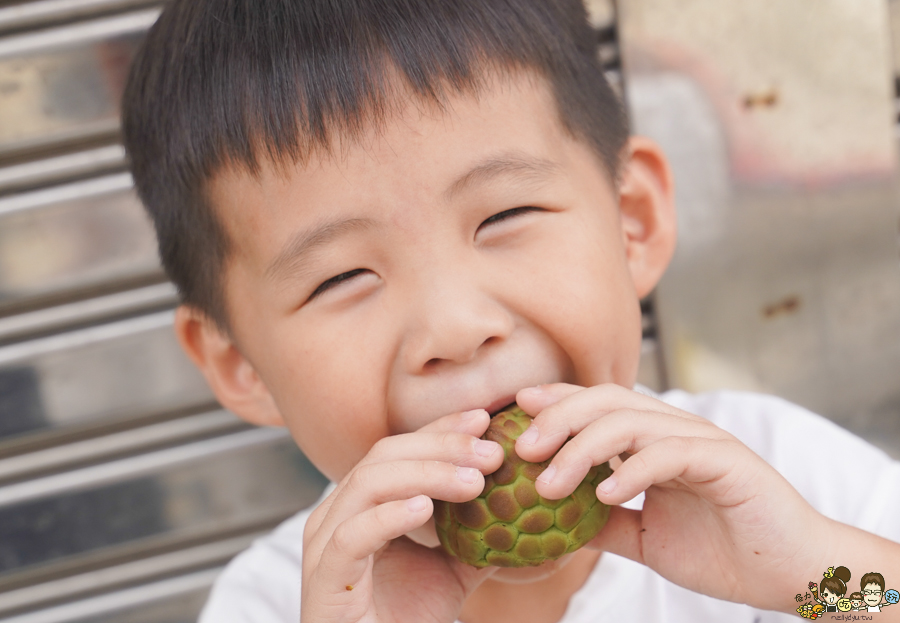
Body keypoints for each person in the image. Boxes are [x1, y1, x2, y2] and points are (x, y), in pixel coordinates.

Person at [119, 0, 900, 621]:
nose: (454, 328)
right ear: (240, 364)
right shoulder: (276, 603)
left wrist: (807, 581)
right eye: (340, 277)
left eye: (503, 217)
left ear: (632, 222)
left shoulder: (776, 481)